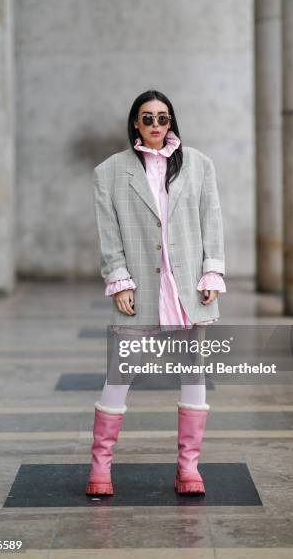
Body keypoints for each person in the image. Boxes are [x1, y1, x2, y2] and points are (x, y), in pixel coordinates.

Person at [86, 90, 226, 496]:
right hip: (140, 287)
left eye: (163, 118)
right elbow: (108, 233)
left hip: (187, 287)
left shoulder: (199, 165)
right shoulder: (109, 172)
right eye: (147, 118)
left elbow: (211, 220)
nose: (156, 126)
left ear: (171, 122)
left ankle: (188, 470)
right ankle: (100, 469)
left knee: (193, 371)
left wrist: (211, 272)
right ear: (135, 122)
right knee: (120, 372)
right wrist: (119, 279)